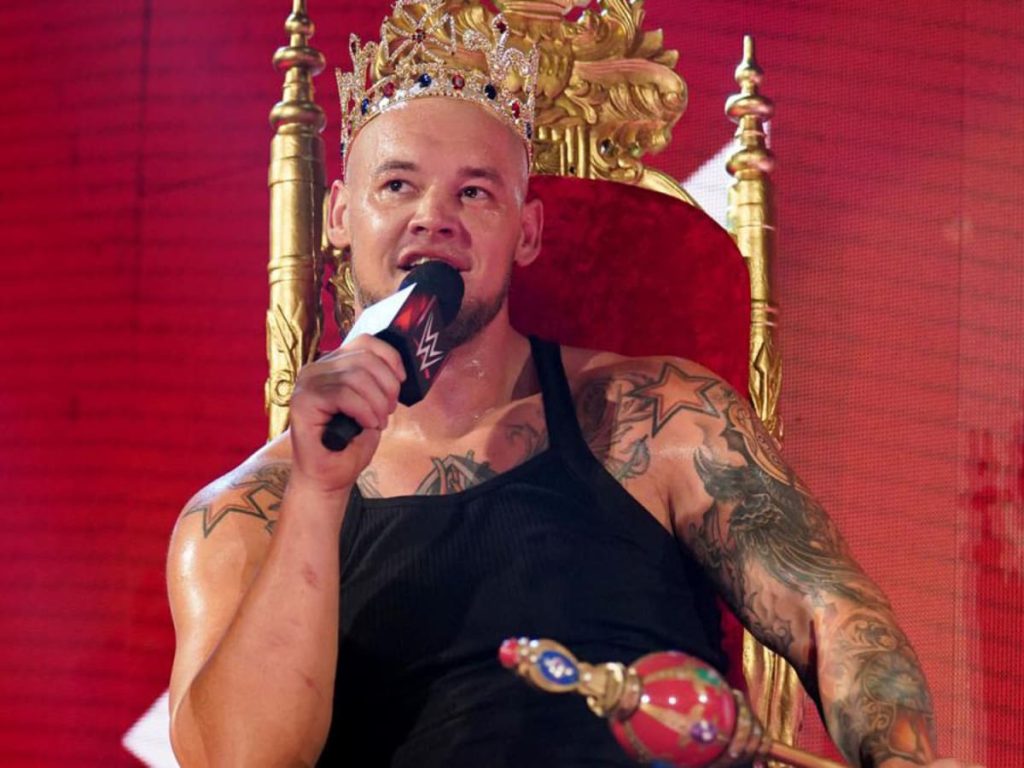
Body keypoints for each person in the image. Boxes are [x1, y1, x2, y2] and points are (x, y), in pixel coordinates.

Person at [166, 2, 979, 766]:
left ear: (526, 232)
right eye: (398, 185)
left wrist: (900, 755)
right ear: (341, 215)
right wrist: (319, 490)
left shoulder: (660, 418)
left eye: (474, 192)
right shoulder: (243, 515)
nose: (434, 217)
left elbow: (834, 615)